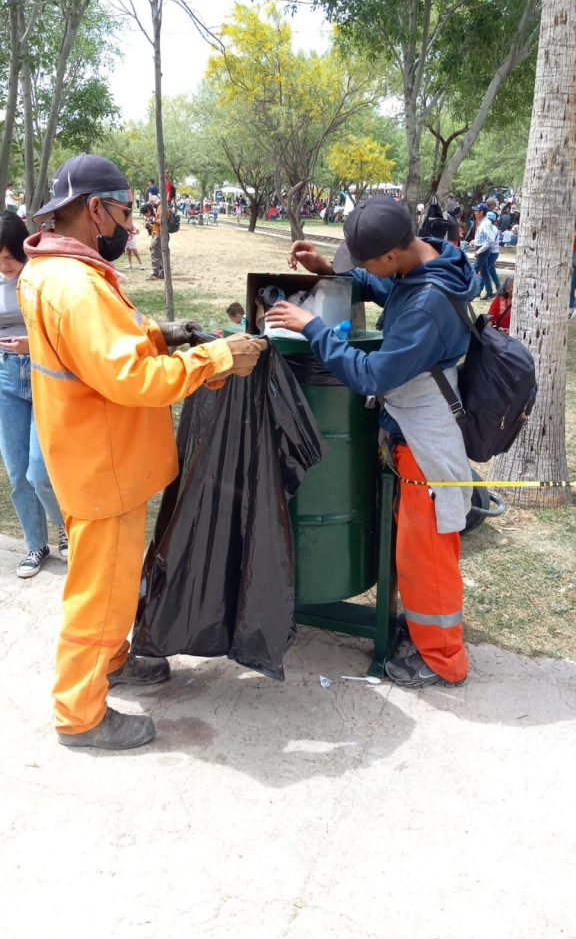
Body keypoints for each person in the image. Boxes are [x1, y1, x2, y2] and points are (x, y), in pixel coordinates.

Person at [18, 153, 267, 751]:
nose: (131, 225)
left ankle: (114, 660)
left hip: (97, 455)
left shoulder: (57, 271)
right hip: (102, 464)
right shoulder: (73, 285)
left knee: (113, 578)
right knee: (98, 591)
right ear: (95, 208)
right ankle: (80, 715)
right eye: (126, 212)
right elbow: (130, 379)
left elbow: (106, 349)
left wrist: (163, 336)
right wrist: (216, 358)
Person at [267, 195, 476, 689]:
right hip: (412, 437)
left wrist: (314, 328)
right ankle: (423, 633)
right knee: (412, 551)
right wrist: (332, 272)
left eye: (363, 262)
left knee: (429, 554)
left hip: (429, 444)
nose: (362, 270)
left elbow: (372, 375)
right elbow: (384, 286)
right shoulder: (423, 260)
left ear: (391, 255)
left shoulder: (426, 306)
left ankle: (444, 659)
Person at [0, 212, 68, 577]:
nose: (4, 267)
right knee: (17, 472)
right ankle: (34, 545)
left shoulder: (42, 276)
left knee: (41, 470)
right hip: (5, 377)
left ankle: (67, 529)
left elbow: (65, 329)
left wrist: (34, 344)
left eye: (10, 258)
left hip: (43, 373)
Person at [474, 208, 499, 298]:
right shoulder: (488, 225)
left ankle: (478, 290)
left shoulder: (491, 227)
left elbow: (490, 240)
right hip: (489, 251)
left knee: (477, 270)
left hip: (490, 252)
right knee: (487, 271)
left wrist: (480, 250)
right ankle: (490, 292)